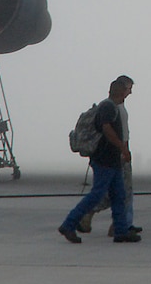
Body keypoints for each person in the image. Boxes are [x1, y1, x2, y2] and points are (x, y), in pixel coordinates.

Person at [59, 77, 138, 244]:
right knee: (97, 194)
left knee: (119, 195)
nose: (129, 93)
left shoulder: (113, 107)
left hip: (113, 160)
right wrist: (123, 148)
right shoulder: (108, 107)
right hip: (104, 160)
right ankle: (69, 224)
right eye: (127, 90)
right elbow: (107, 129)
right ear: (121, 91)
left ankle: (121, 231)